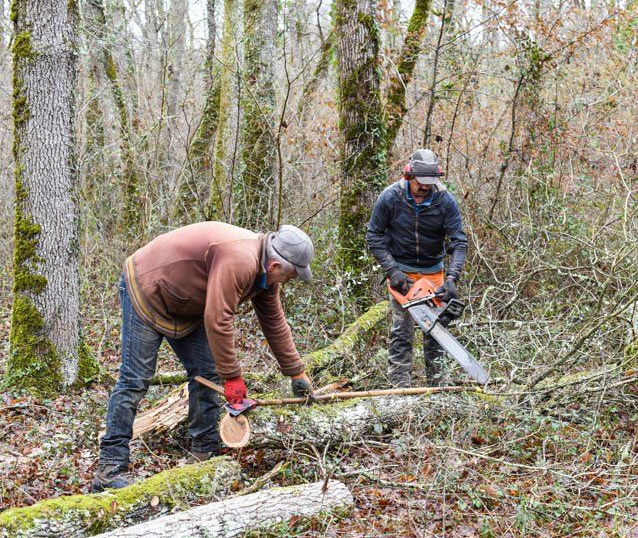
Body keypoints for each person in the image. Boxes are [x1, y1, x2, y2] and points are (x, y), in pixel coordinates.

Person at [92, 222, 315, 492]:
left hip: (186, 304)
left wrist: (296, 372)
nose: (288, 282)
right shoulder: (240, 260)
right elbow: (218, 319)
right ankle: (109, 468)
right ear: (277, 266)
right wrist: (232, 378)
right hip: (148, 288)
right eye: (290, 277)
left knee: (205, 374)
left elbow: (274, 321)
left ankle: (204, 453)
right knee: (134, 380)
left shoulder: (265, 274)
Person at [366, 149, 468, 387]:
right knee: (402, 331)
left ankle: (438, 383)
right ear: (409, 175)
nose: (425, 187)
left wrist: (452, 278)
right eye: (421, 182)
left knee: (437, 331)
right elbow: (374, 236)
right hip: (402, 273)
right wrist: (392, 270)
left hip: (434, 272)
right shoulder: (390, 198)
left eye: (430, 183)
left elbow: (459, 242)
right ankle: (399, 386)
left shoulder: (445, 201)